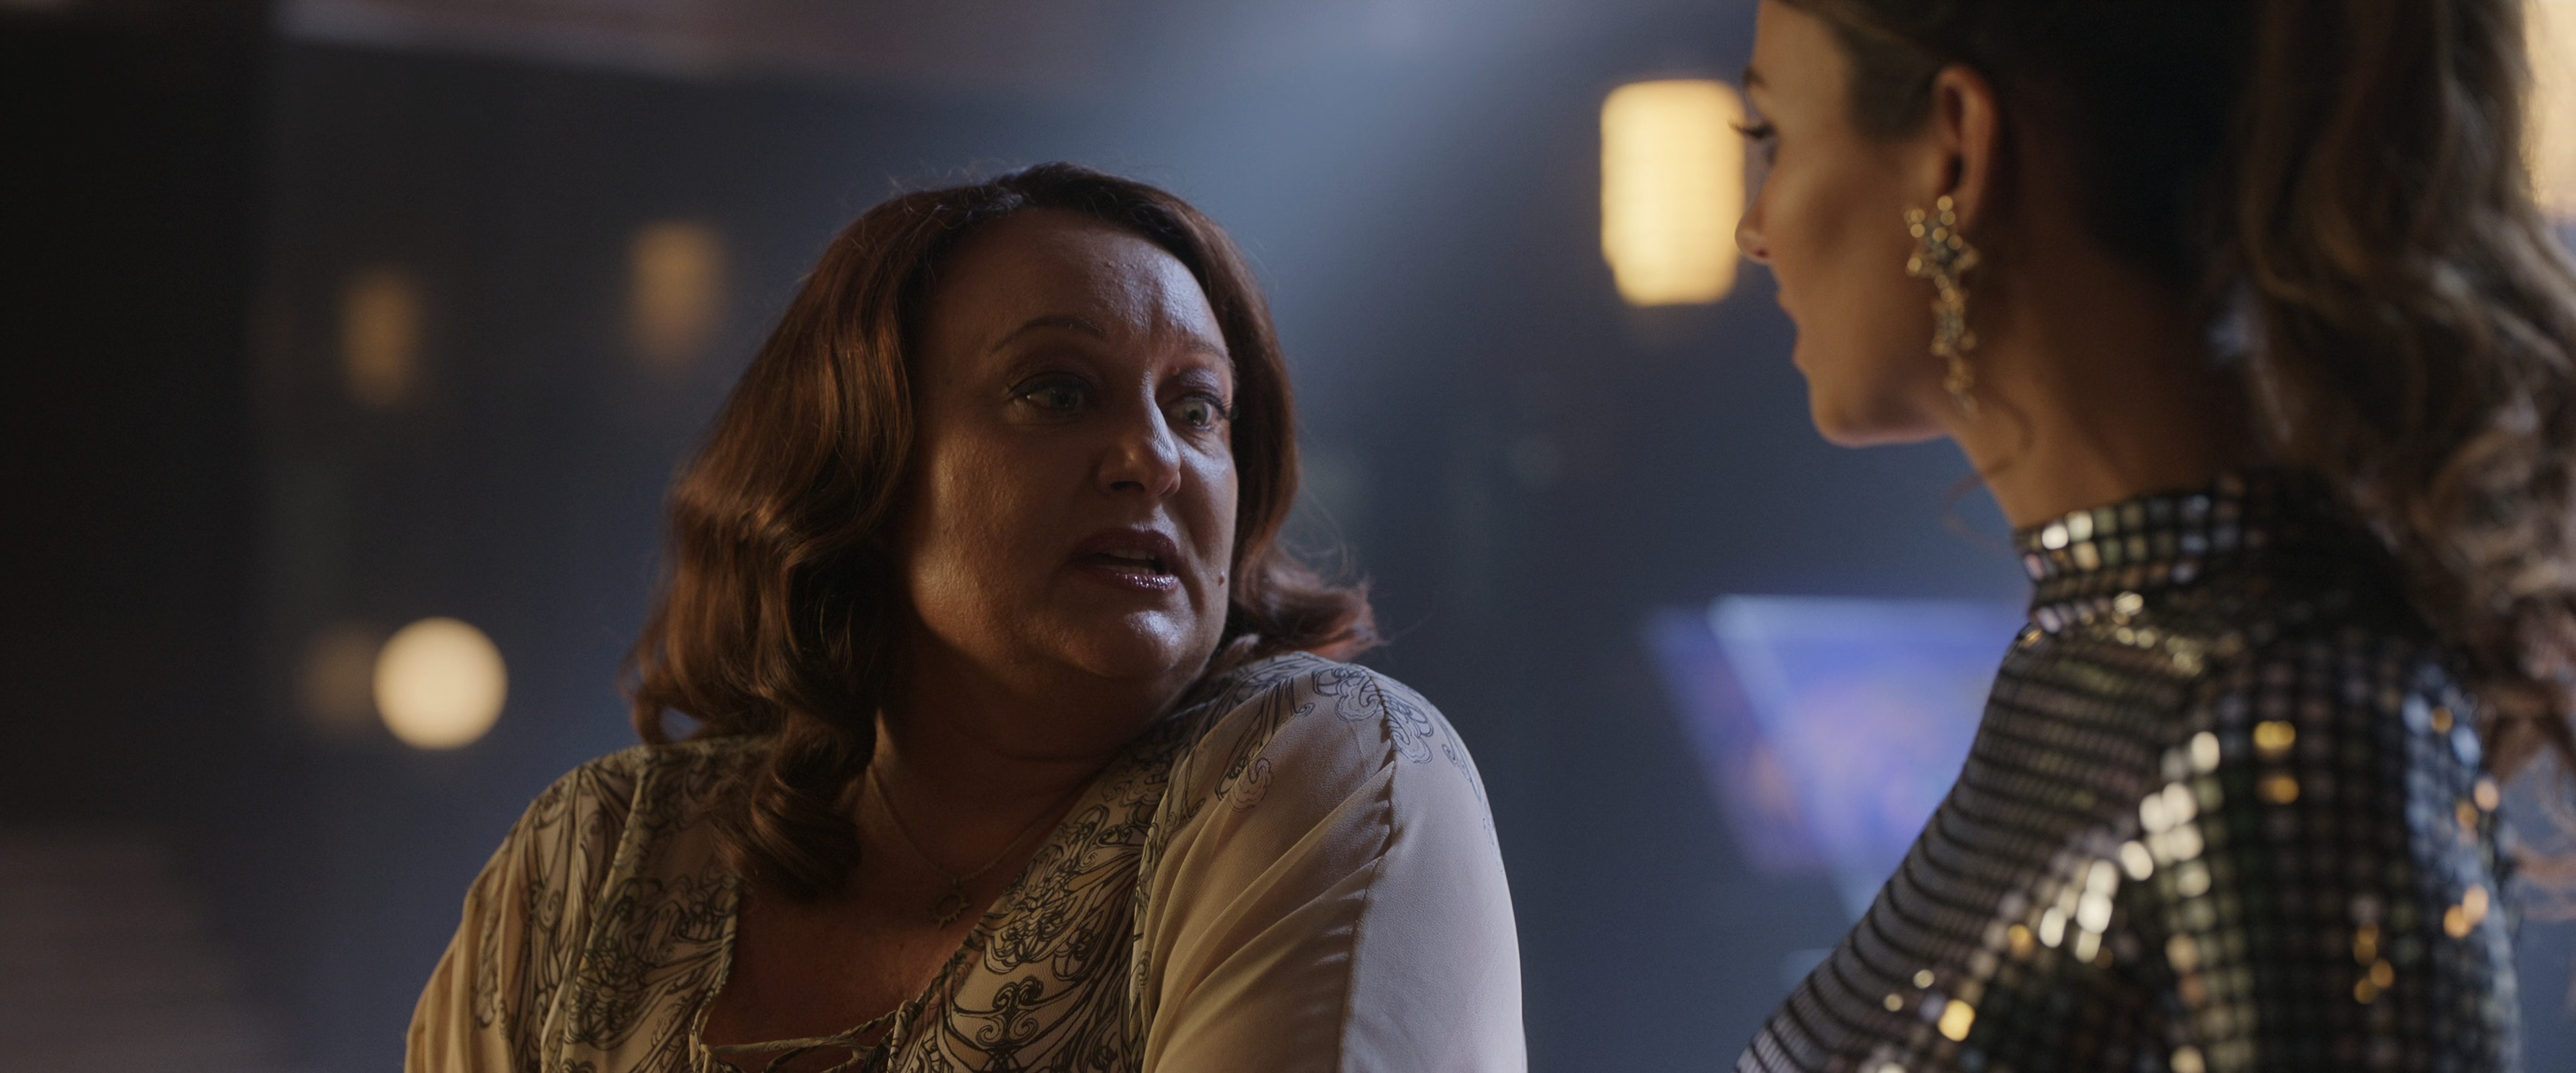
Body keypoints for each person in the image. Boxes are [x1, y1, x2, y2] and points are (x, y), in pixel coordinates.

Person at [405, 164, 1523, 1073]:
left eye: (1197, 408)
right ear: (861, 468)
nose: (1153, 461)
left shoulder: (1320, 768)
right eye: (1057, 392)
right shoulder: (593, 864)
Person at [1731, 1, 2576, 1069]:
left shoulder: (2290, 723)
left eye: (1772, 138)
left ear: (1955, 149)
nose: (1752, 230)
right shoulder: (2112, 656)